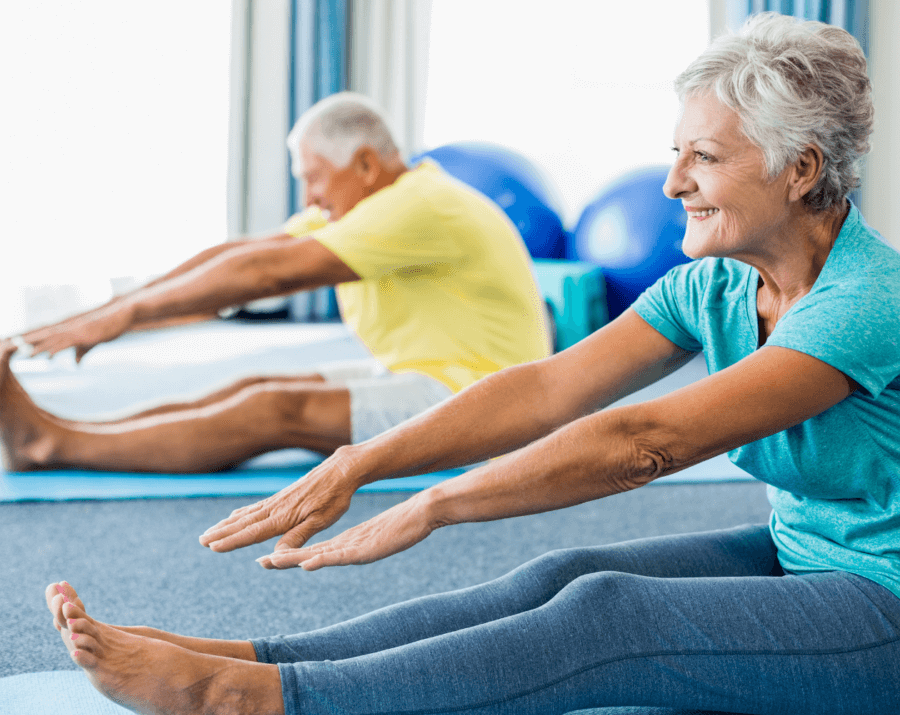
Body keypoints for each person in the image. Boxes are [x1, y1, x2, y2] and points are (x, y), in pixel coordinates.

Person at [45, 14, 900, 715]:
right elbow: (551, 387)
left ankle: (237, 710)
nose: (670, 183)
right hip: (811, 559)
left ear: (801, 170)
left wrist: (437, 501)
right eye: (675, 152)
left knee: (611, 616)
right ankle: (247, 660)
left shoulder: (868, 305)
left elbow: (646, 442)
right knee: (560, 574)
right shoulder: (717, 282)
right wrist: (366, 460)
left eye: (702, 159)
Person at [0, 93, 550, 473]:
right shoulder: (368, 203)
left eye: (313, 177)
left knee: (273, 410)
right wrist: (118, 305)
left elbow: (265, 276)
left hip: (483, 405)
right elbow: (246, 254)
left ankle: (49, 444)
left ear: (363, 163)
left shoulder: (418, 205)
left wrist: (122, 318)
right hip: (430, 375)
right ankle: (66, 432)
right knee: (250, 386)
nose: (309, 197)